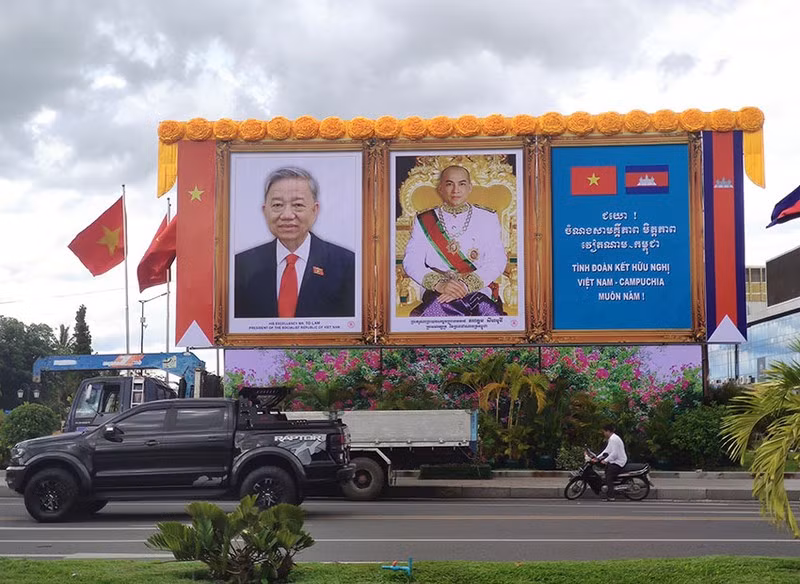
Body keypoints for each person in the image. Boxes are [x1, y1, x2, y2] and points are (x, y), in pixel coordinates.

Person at [234, 166, 355, 318]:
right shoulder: (241, 265)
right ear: (265, 211)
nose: (287, 215)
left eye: (298, 205)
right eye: (277, 205)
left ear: (315, 210)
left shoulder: (347, 264)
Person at [402, 165, 507, 317]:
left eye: (462, 184)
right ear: (440, 188)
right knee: (437, 311)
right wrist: (440, 284)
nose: (455, 190)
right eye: (449, 184)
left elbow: (497, 260)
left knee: (488, 314)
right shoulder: (425, 220)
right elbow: (412, 261)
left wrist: (465, 286)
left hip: (478, 289)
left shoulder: (487, 218)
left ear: (470, 188)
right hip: (438, 291)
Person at [592, 423, 628, 501]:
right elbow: (607, 450)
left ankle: (611, 496)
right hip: (615, 461)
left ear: (608, 431)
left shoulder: (614, 439)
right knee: (606, 472)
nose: (604, 434)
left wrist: (605, 460)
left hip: (618, 462)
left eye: (604, 432)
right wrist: (597, 458)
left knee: (609, 477)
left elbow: (614, 453)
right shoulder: (612, 438)